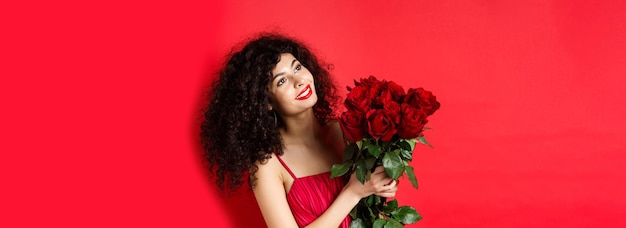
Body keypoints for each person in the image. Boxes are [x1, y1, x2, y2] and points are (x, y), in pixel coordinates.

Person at [201, 33, 398, 228]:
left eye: (297, 68)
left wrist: (383, 183)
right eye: (282, 81)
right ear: (267, 102)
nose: (299, 81)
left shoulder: (345, 131)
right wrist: (353, 193)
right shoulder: (267, 166)